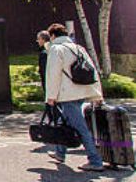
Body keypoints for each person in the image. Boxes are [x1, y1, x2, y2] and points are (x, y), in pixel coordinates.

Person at [44, 23, 105, 172]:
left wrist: (51, 96)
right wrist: (97, 93)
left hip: (68, 94)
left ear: (52, 36)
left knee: (81, 128)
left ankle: (95, 161)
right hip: (82, 92)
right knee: (62, 121)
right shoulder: (79, 48)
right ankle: (60, 153)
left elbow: (53, 74)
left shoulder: (56, 49)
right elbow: (92, 71)